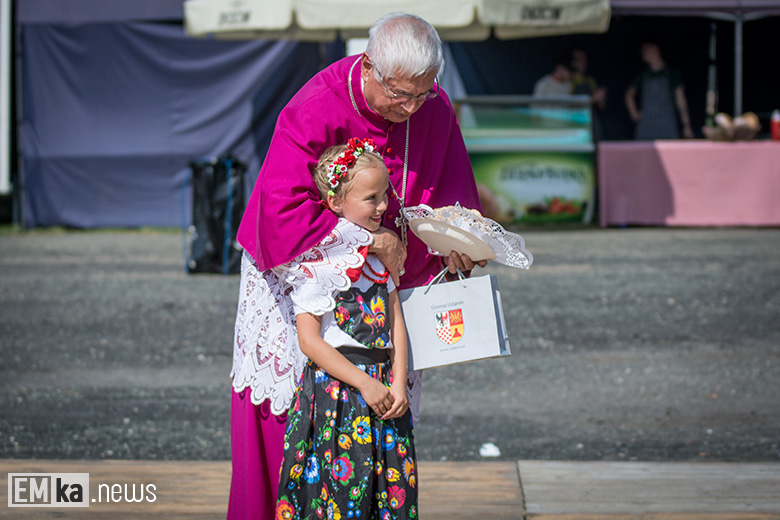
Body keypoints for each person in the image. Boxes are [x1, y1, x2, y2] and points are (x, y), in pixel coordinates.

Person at [227, 12, 483, 520]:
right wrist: (372, 242)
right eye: (400, 95)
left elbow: (451, 192)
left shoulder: (432, 104)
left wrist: (459, 242)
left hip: (381, 300)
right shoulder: (317, 103)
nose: (411, 108)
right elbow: (281, 213)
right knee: (296, 440)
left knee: (379, 441)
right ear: (368, 68)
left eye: (423, 95)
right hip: (303, 285)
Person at [276, 138, 416, 520]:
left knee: (388, 489)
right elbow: (310, 341)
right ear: (337, 202)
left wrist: (398, 382)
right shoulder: (318, 267)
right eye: (372, 198)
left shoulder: (379, 261)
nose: (384, 205)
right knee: (343, 489)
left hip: (384, 387)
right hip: (338, 390)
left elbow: (396, 322)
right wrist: (364, 384)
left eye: (385, 194)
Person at [624, 37, 694, 140]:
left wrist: (686, 125)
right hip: (646, 127)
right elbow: (629, 94)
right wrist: (634, 113)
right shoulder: (643, 75)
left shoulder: (672, 74)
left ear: (655, 49)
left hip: (667, 126)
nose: (642, 53)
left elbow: (681, 100)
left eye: (645, 49)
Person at [569, 48, 606, 141]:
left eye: (584, 59)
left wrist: (601, 99)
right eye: (578, 59)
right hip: (575, 123)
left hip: (592, 123)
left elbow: (600, 108)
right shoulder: (568, 82)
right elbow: (569, 105)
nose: (582, 62)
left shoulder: (590, 81)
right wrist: (592, 99)